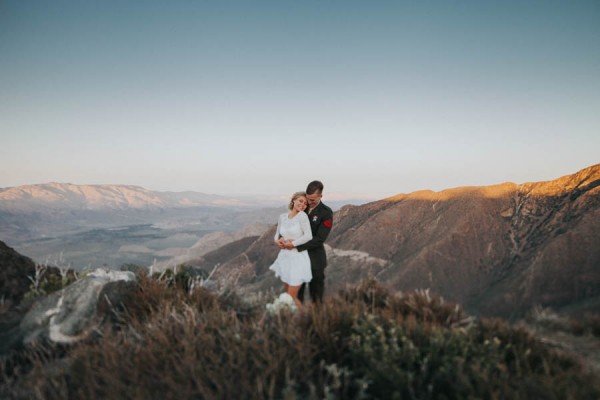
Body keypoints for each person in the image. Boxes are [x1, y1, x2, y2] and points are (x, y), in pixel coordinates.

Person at [282, 180, 333, 304]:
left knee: (316, 297)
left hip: (315, 261)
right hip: (297, 260)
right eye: (308, 198)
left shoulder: (326, 213)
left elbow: (319, 239)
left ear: (321, 196)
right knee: (295, 296)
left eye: (313, 200)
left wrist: (295, 244)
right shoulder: (302, 208)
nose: (309, 202)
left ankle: (316, 321)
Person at [269, 192, 313, 309]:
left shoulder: (302, 216)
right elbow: (277, 234)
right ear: (293, 200)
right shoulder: (282, 217)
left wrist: (292, 244)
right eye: (300, 201)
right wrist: (277, 242)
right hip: (285, 258)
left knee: (290, 296)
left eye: (305, 203)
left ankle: (308, 319)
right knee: (288, 294)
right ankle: (292, 319)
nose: (303, 205)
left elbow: (308, 236)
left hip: (298, 258)